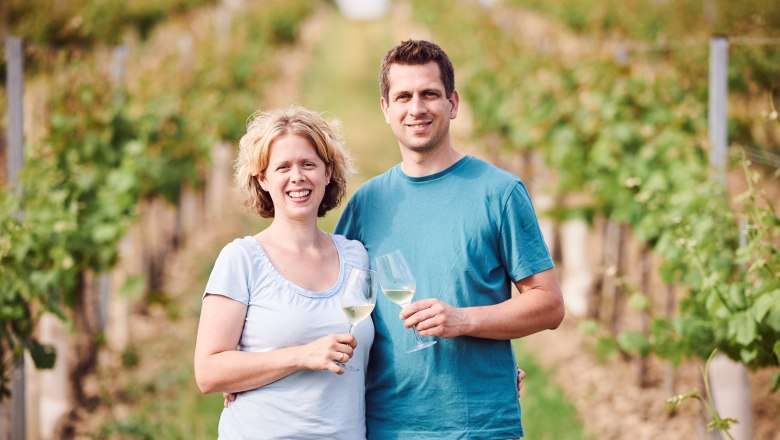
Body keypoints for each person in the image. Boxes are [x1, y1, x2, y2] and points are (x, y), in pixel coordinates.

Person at [334, 39, 565, 439]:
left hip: (480, 426)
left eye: (429, 94)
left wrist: (464, 320)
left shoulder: (499, 192)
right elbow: (332, 306)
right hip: (388, 427)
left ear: (452, 103)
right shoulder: (366, 204)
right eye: (403, 96)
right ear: (386, 109)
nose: (416, 108)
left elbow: (549, 305)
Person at [194, 106, 374, 439]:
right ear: (262, 178)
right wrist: (301, 356)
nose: (297, 177)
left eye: (308, 164)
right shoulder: (242, 259)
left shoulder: (356, 256)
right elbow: (208, 372)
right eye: (283, 167)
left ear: (328, 172)